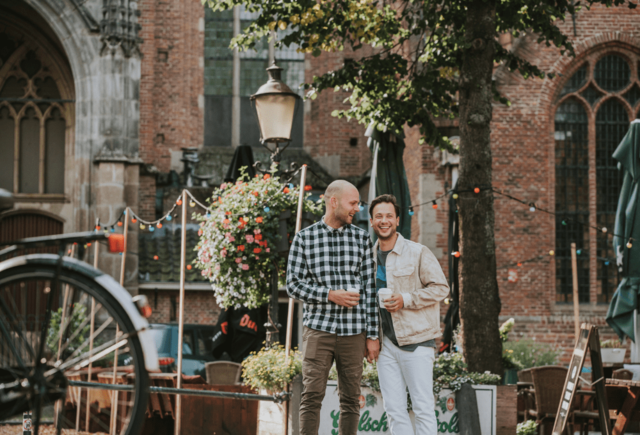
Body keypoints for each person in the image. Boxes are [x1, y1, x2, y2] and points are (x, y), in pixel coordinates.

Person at [287, 180, 379, 435]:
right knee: (311, 395)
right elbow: (292, 285)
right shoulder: (304, 238)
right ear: (333, 201)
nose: (357, 209)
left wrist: (372, 335)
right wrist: (329, 295)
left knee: (351, 399)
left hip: (354, 332)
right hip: (318, 330)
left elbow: (370, 291)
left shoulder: (361, 239)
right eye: (353, 203)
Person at [369, 194, 449, 435]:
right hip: (385, 345)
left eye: (389, 216)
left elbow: (441, 288)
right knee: (393, 409)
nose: (384, 221)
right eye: (379, 216)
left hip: (416, 342)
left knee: (423, 406)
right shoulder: (367, 259)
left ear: (397, 220)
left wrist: (406, 299)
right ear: (372, 222)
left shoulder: (418, 252)